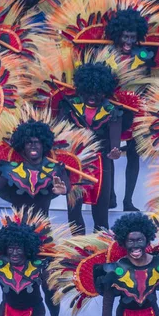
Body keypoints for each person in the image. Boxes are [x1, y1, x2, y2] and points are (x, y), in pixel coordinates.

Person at [0, 118, 71, 316]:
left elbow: (65, 184)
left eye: (37, 142)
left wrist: (64, 190)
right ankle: (3, 310)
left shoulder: (55, 169)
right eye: (28, 143)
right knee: (13, 275)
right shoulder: (10, 170)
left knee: (47, 281)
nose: (33, 146)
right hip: (15, 234)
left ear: (44, 144)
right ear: (21, 146)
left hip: (43, 236)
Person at [58, 62, 125, 229]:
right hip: (75, 161)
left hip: (102, 162)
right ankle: (77, 248)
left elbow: (115, 138)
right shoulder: (68, 105)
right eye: (89, 91)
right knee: (74, 209)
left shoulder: (112, 110)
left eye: (98, 92)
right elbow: (59, 134)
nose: (93, 96)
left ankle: (100, 248)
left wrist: (115, 151)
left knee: (101, 212)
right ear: (81, 88)